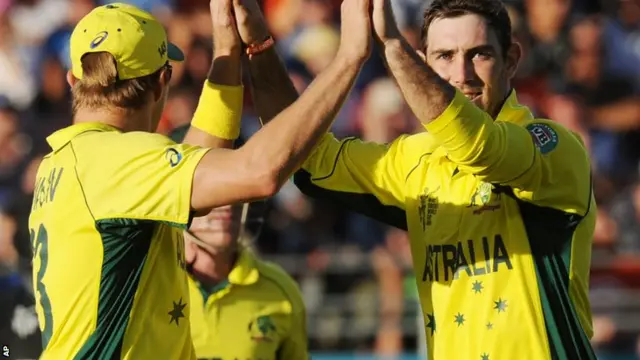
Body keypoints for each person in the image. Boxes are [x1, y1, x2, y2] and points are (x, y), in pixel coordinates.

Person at [235, 0, 598, 358]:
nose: (462, 73)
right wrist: (260, 47)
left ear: (512, 60)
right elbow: (303, 153)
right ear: (425, 63)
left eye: (479, 54)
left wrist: (393, 46)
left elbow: (479, 148)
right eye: (444, 56)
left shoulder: (553, 147)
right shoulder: (416, 159)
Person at [26, 0, 372, 358]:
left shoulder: (64, 161)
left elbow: (201, 159)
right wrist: (348, 59)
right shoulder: (119, 162)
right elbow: (259, 172)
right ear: (163, 82)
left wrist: (227, 52)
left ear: (73, 80)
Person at [169, 127, 308, 360]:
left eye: (236, 183)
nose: (226, 201)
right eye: (211, 186)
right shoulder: (145, 283)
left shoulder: (281, 289)